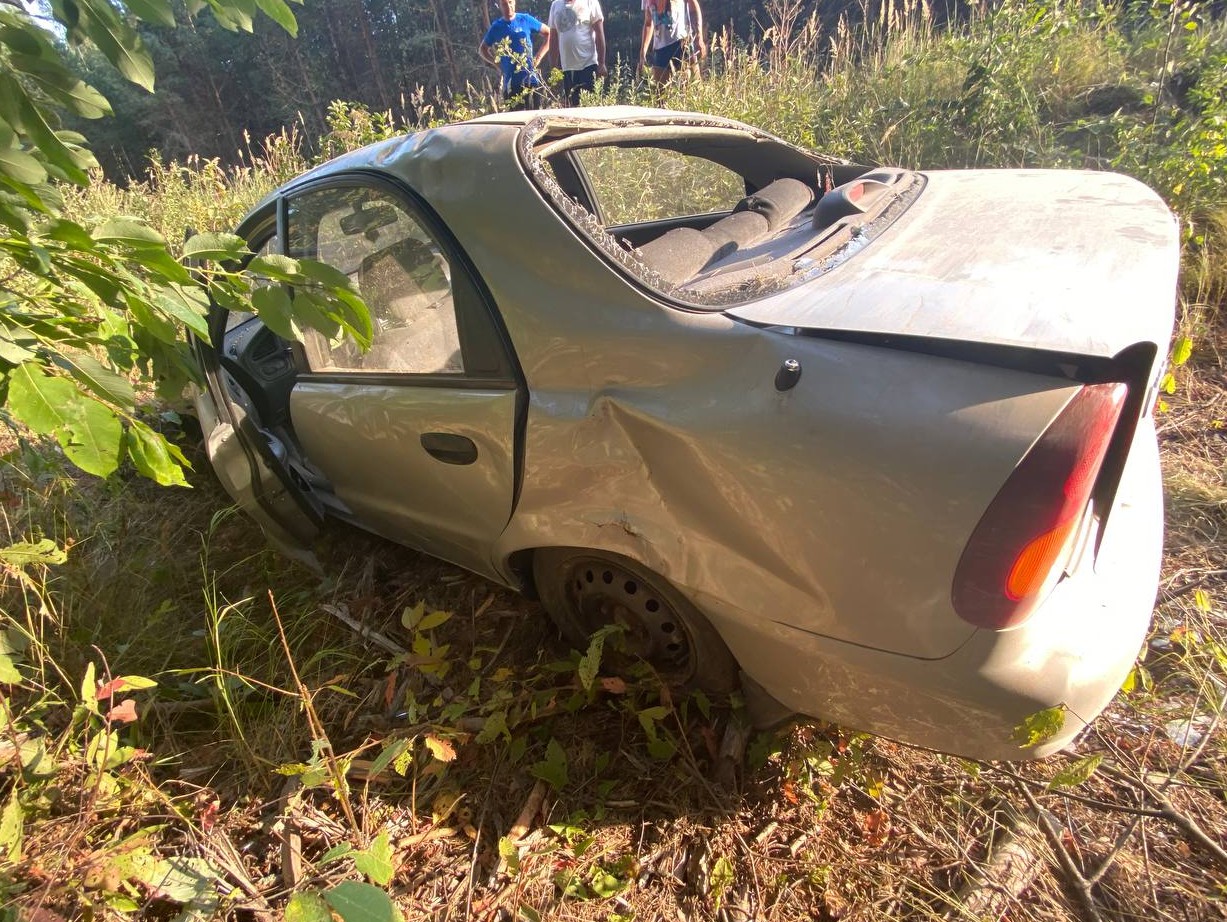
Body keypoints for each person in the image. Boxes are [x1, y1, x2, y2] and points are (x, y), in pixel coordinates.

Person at [480, 0, 552, 110]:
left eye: (510, 2)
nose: (508, 6)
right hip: (511, 84)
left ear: (514, 3)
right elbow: (483, 49)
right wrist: (497, 63)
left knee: (534, 119)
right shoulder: (496, 27)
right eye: (504, 4)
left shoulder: (525, 19)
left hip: (530, 80)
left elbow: (549, 34)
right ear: (499, 6)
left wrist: (538, 57)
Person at [548, 0, 606, 107]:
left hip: (588, 66)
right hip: (566, 69)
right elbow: (553, 39)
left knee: (589, 106)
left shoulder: (590, 2)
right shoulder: (556, 5)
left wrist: (602, 63)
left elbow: (599, 33)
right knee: (570, 108)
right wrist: (554, 69)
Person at [640, 0, 705, 86]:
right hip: (660, 49)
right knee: (660, 95)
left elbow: (693, 6)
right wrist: (643, 51)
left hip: (682, 42)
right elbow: (648, 23)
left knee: (694, 87)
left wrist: (699, 37)